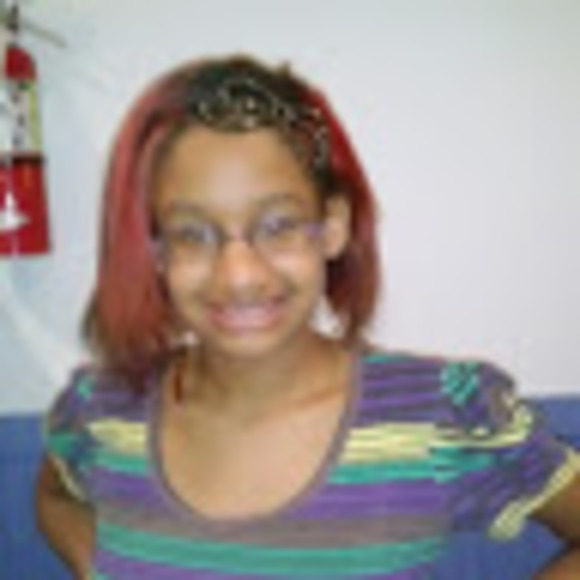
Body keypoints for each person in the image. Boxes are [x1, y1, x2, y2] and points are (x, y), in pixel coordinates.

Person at [35, 54, 580, 579]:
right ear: (155, 250)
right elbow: (54, 496)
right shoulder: (104, 408)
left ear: (333, 226)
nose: (240, 276)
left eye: (279, 225)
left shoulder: (442, 415)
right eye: (192, 234)